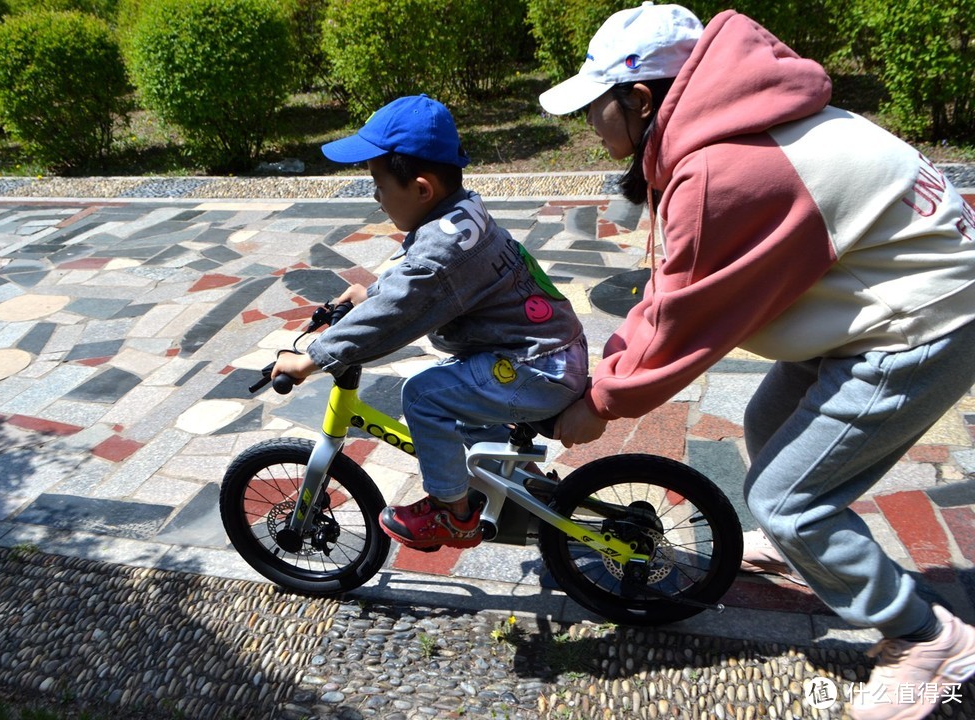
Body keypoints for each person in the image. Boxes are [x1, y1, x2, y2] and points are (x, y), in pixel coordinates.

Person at [539, 3, 975, 719]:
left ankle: (927, 637)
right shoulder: (734, 121)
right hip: (884, 289)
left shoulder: (724, 169)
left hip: (923, 318)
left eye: (594, 105)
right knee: (768, 417)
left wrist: (600, 401)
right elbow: (679, 285)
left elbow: (684, 321)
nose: (588, 123)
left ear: (641, 99)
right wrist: (612, 364)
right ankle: (798, 547)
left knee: (790, 497)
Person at [272, 94, 588, 551]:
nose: (376, 198)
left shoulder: (439, 255)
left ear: (422, 189)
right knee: (467, 413)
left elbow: (400, 307)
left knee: (423, 395)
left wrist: (311, 358)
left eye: (379, 185)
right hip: (549, 352)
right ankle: (527, 490)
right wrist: (369, 293)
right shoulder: (463, 211)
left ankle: (452, 514)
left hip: (536, 367)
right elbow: (412, 281)